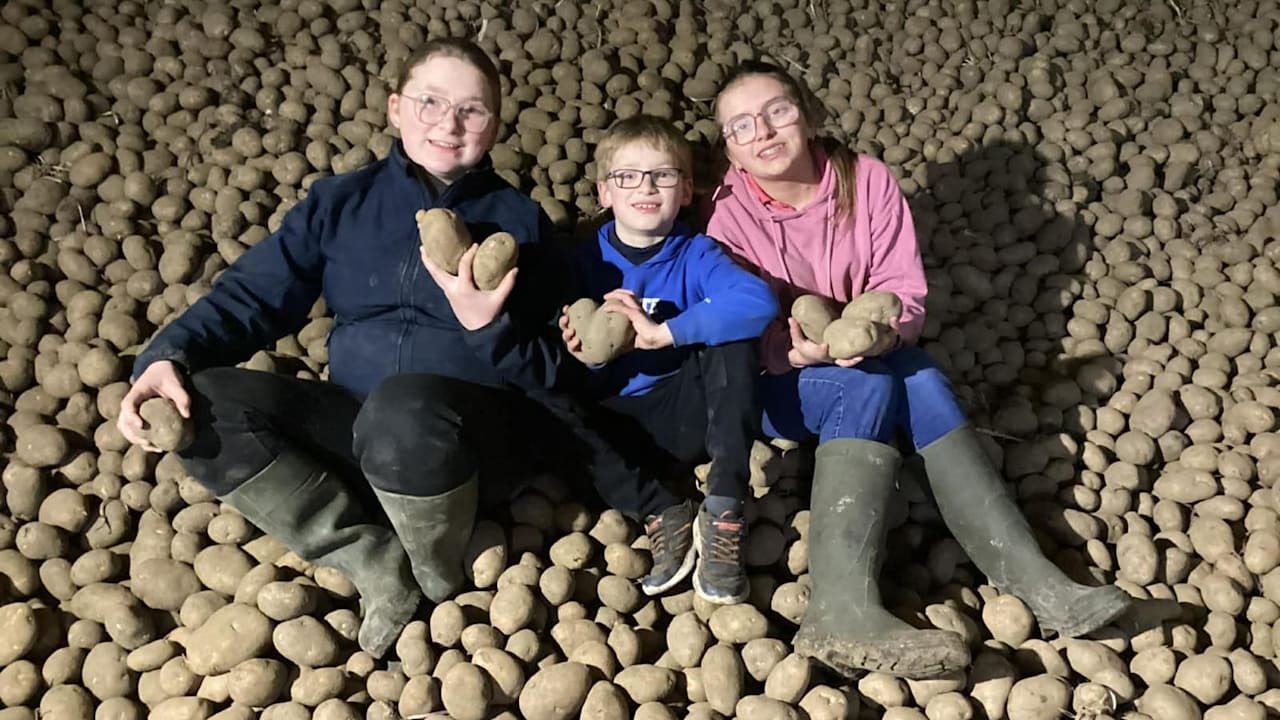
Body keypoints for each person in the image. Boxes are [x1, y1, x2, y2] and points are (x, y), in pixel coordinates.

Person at [116, 38, 577, 659]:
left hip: (466, 450)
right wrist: (163, 358)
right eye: (430, 102)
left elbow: (555, 362)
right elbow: (253, 296)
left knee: (406, 406)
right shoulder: (339, 204)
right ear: (394, 108)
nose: (449, 122)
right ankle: (372, 560)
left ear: (494, 124)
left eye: (472, 109)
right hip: (358, 432)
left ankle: (437, 569)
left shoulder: (521, 221)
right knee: (204, 402)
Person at [704, 61, 1132, 678]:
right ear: (730, 149)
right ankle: (837, 610)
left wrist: (878, 332)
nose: (764, 132)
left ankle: (1037, 583)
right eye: (741, 126)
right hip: (777, 381)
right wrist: (798, 352)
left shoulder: (867, 180)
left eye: (777, 111)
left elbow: (901, 288)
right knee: (871, 383)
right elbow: (735, 339)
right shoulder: (729, 220)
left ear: (808, 113)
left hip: (869, 353)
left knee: (922, 376)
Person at [558, 116, 778, 604]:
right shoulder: (577, 260)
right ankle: (663, 510)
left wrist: (664, 333)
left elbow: (758, 303)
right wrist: (585, 355)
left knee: (731, 333)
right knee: (544, 397)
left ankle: (723, 504)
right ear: (604, 192)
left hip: (685, 415)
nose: (647, 186)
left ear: (685, 192)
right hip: (613, 432)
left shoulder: (696, 254)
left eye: (663, 175)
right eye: (628, 176)